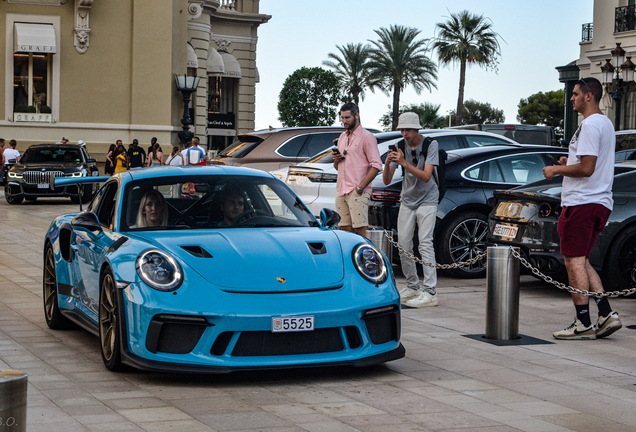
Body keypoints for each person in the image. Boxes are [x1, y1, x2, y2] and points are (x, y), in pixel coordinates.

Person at [543, 77, 621, 340]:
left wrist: (556, 169)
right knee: (583, 260)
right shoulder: (606, 124)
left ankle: (582, 322)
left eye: (575, 94)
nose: (571, 98)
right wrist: (569, 161)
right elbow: (589, 162)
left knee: (573, 261)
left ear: (589, 96)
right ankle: (607, 314)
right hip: (599, 202)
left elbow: (586, 169)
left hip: (582, 203)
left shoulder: (589, 125)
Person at [383, 112, 439, 308]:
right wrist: (387, 163)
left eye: (408, 129)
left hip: (428, 199)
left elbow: (426, 176)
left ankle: (430, 291)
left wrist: (404, 163)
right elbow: (387, 181)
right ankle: (413, 286)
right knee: (403, 244)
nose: (404, 133)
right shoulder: (399, 147)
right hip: (407, 199)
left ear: (417, 129)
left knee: (424, 243)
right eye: (402, 129)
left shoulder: (430, 145)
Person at [332, 102, 382, 238]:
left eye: (347, 117)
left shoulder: (367, 137)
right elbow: (339, 167)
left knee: (361, 230)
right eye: (342, 118)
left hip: (357, 191)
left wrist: (360, 188)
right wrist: (336, 160)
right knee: (344, 230)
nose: (344, 121)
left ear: (357, 115)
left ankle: (364, 258)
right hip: (341, 190)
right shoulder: (342, 137)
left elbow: (377, 165)